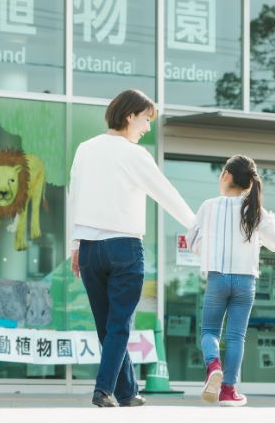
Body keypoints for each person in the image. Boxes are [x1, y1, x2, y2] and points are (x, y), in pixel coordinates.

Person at [69, 89, 195, 408]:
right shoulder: (134, 154)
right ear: (129, 116)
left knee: (107, 325)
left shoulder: (85, 149)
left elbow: (75, 197)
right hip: (124, 247)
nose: (148, 127)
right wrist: (197, 226)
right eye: (145, 119)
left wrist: (75, 245)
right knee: (119, 325)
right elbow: (165, 194)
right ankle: (103, 389)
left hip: (89, 249)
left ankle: (126, 392)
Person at [186, 155, 275, 407]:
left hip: (217, 278)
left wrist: (208, 250)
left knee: (209, 331)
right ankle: (229, 391)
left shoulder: (209, 206)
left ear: (227, 176)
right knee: (236, 336)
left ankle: (213, 366)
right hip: (246, 281)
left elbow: (193, 241)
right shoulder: (257, 211)